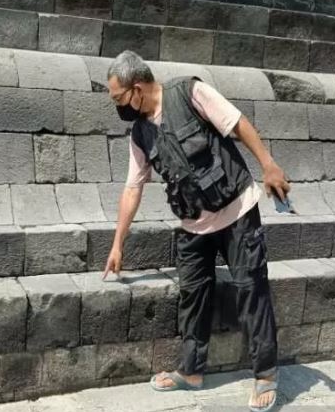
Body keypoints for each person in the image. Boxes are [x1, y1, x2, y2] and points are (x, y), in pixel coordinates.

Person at [101, 50, 291, 412]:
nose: (118, 107)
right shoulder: (140, 134)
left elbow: (237, 123)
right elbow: (132, 188)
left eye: (118, 99)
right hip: (193, 225)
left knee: (252, 292)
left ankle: (265, 375)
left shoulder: (189, 93)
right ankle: (192, 372)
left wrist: (268, 165)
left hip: (237, 211)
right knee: (192, 296)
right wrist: (117, 245)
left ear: (137, 89)